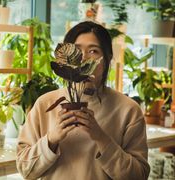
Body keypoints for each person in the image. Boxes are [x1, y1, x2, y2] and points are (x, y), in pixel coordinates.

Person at [16, 21, 150, 180]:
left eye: (93, 51)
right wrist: (51, 139)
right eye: (77, 50)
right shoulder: (44, 104)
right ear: (64, 58)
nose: (84, 58)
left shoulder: (128, 110)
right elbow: (25, 170)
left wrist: (101, 137)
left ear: (107, 59)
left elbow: (138, 175)